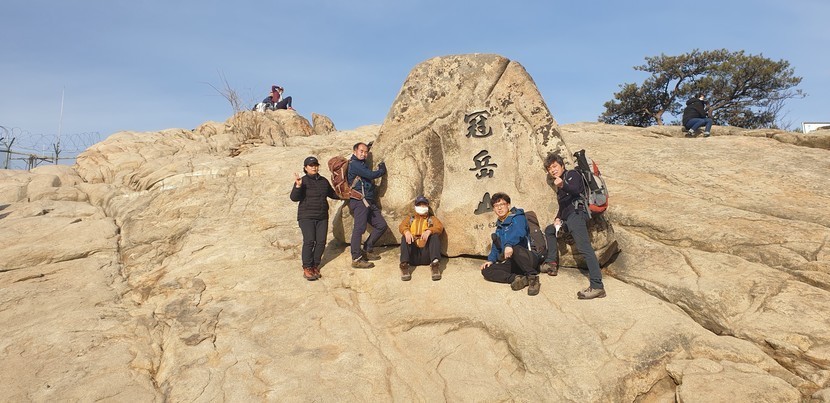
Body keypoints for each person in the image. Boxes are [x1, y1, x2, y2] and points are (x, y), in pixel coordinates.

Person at [541, 153, 606, 299]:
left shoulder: (572, 175)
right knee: (550, 230)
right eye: (550, 168)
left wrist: (563, 185)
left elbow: (576, 190)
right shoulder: (560, 184)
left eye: (555, 166)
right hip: (567, 219)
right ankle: (551, 263)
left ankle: (597, 286)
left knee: (585, 248)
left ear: (562, 165)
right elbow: (563, 206)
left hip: (577, 215)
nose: (553, 170)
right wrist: (558, 218)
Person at [479, 192, 541, 296]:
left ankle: (532, 278)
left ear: (508, 205)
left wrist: (509, 245)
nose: (499, 208)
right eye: (496, 206)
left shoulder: (518, 217)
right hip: (513, 262)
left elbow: (519, 232)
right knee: (486, 270)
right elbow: (496, 246)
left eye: (502, 204)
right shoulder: (499, 226)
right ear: (493, 209)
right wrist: (490, 260)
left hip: (527, 258)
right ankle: (518, 278)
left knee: (515, 248)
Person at [290, 156, 339, 281]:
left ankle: (315, 265)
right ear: (305, 168)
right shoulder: (302, 181)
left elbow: (332, 194)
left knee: (321, 241)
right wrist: (298, 186)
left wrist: (347, 195)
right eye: (311, 165)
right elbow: (294, 198)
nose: (314, 167)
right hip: (306, 216)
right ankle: (307, 267)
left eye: (316, 165)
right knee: (310, 241)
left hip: (322, 216)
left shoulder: (323, 181)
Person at [348, 142, 388, 268]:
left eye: (366, 152)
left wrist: (371, 145)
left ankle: (367, 249)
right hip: (359, 201)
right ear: (355, 151)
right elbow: (370, 175)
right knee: (359, 229)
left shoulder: (361, 163)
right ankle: (356, 258)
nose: (364, 154)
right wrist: (381, 170)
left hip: (368, 201)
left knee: (381, 225)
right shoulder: (354, 164)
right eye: (361, 151)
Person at [398, 196, 444, 281]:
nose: (421, 207)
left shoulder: (432, 218)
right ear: (416, 206)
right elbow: (402, 226)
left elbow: (439, 227)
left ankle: (435, 265)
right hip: (413, 255)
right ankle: (404, 265)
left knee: (434, 236)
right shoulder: (410, 218)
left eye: (424, 204)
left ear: (427, 206)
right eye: (419, 205)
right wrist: (406, 232)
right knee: (405, 237)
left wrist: (430, 230)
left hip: (427, 255)